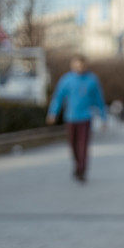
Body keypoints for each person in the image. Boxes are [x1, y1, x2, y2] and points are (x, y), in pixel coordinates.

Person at [46, 54, 107, 183]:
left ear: (85, 65)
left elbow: (99, 100)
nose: (79, 67)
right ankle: (77, 164)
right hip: (70, 117)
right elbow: (58, 97)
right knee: (73, 145)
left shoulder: (92, 80)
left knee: (83, 145)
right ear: (72, 65)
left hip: (85, 118)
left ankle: (82, 170)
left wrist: (103, 118)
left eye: (81, 65)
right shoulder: (67, 80)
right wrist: (53, 113)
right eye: (77, 64)